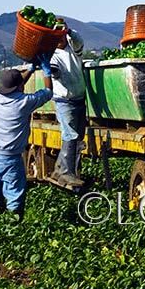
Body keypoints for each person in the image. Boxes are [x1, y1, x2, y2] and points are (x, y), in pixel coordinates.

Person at [0, 55, 53, 221]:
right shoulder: (24, 102)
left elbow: (18, 84)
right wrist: (46, 72)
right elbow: (48, 92)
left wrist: (29, 69)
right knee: (14, 192)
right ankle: (14, 225)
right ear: (20, 86)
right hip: (10, 157)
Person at [50, 26, 86, 188]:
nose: (59, 39)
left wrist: (70, 31)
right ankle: (67, 173)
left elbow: (79, 40)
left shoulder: (73, 49)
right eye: (55, 36)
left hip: (79, 98)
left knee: (78, 136)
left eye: (61, 35)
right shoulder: (52, 55)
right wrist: (50, 70)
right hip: (64, 100)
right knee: (70, 134)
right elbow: (54, 72)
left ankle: (61, 169)